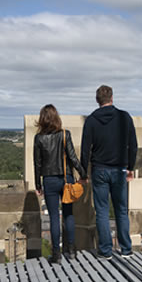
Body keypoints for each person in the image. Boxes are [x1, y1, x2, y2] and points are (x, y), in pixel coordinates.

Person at [80, 85, 138, 259]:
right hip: (120, 169)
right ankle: (126, 249)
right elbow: (133, 145)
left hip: (99, 170)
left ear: (97, 100)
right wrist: (131, 168)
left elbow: (85, 150)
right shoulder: (124, 117)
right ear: (112, 98)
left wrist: (83, 173)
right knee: (121, 210)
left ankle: (105, 251)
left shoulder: (91, 120)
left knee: (103, 211)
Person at [34, 104, 87, 264]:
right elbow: (73, 158)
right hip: (66, 179)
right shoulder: (65, 134)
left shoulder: (39, 138)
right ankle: (71, 251)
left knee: (54, 218)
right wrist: (83, 174)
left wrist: (38, 184)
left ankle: (56, 254)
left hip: (49, 180)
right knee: (68, 215)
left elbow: (37, 163)